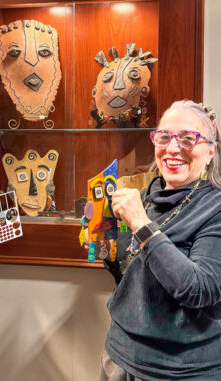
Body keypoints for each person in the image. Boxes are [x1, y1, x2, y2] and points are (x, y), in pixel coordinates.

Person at [103, 100, 221, 380]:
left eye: (188, 138)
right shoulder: (144, 196)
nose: (172, 148)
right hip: (119, 356)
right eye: (164, 136)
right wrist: (106, 248)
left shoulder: (215, 208)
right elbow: (130, 272)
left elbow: (199, 289)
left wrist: (141, 225)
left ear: (210, 151)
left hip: (180, 370)